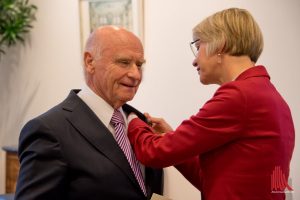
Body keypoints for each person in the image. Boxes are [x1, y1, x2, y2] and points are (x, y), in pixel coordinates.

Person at [127, 8, 295, 200]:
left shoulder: (239, 96)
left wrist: (131, 120)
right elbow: (212, 180)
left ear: (220, 45)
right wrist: (171, 138)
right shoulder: (273, 98)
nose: (194, 60)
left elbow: (153, 153)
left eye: (198, 47)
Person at [15, 26, 163, 200]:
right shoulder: (49, 130)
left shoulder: (140, 122)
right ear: (90, 62)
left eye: (139, 65)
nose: (136, 74)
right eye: (124, 62)